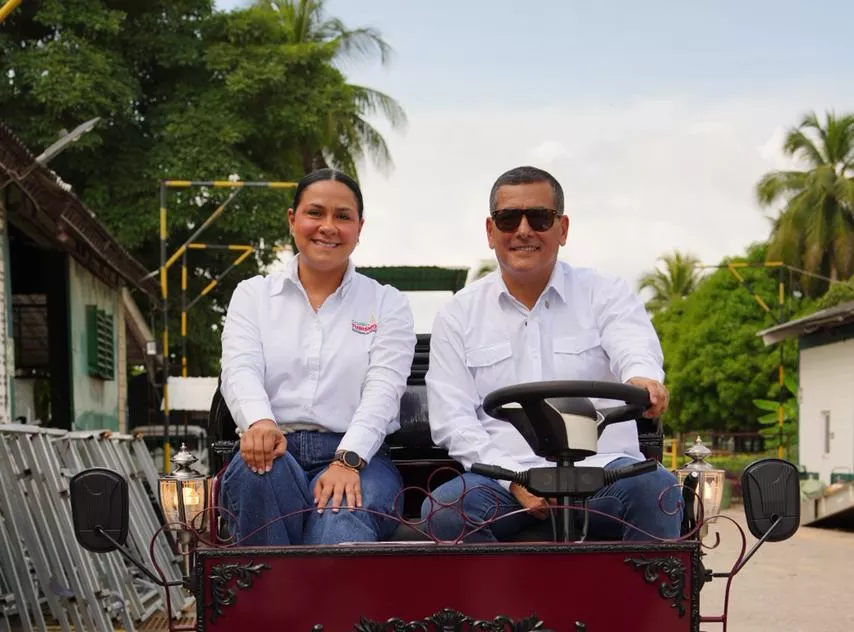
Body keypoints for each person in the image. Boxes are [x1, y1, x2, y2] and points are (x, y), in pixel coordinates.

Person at [422, 165, 682, 542]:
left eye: (539, 218)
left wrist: (642, 379)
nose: (523, 230)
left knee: (658, 491)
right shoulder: (458, 314)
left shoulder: (606, 293)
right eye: (509, 219)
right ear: (490, 231)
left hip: (605, 474)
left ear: (563, 228)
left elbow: (634, 347)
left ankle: (643, 586)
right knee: (445, 512)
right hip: (501, 481)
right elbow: (452, 419)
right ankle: (496, 586)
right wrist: (514, 478)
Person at [219, 169, 416, 545]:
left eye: (342, 216)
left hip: (362, 457)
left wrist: (348, 460)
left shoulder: (386, 302)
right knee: (256, 475)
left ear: (359, 228)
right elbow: (240, 368)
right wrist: (260, 424)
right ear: (292, 219)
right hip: (274, 446)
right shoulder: (253, 295)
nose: (328, 227)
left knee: (340, 520)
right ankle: (274, 587)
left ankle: (314, 585)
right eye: (315, 213)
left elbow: (384, 389)